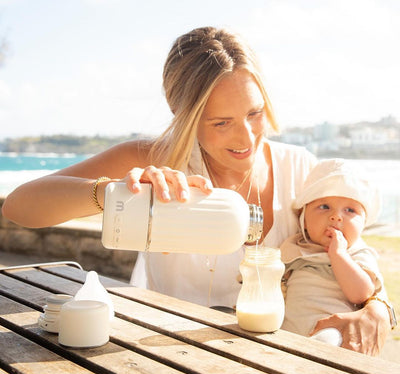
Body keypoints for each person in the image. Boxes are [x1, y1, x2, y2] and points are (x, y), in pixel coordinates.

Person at [1, 26, 392, 355]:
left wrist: (379, 305)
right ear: (182, 115)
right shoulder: (153, 159)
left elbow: (352, 246)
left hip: (269, 361)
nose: (246, 137)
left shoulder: (304, 172)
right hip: (156, 349)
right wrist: (113, 195)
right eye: (221, 122)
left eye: (254, 113)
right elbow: (19, 206)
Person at [280, 159, 387, 340]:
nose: (336, 217)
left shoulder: (358, 253)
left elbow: (361, 294)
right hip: (291, 337)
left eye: (350, 210)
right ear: (304, 220)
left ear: (363, 224)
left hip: (335, 337)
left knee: (329, 338)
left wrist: (339, 254)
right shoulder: (294, 247)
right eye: (324, 207)